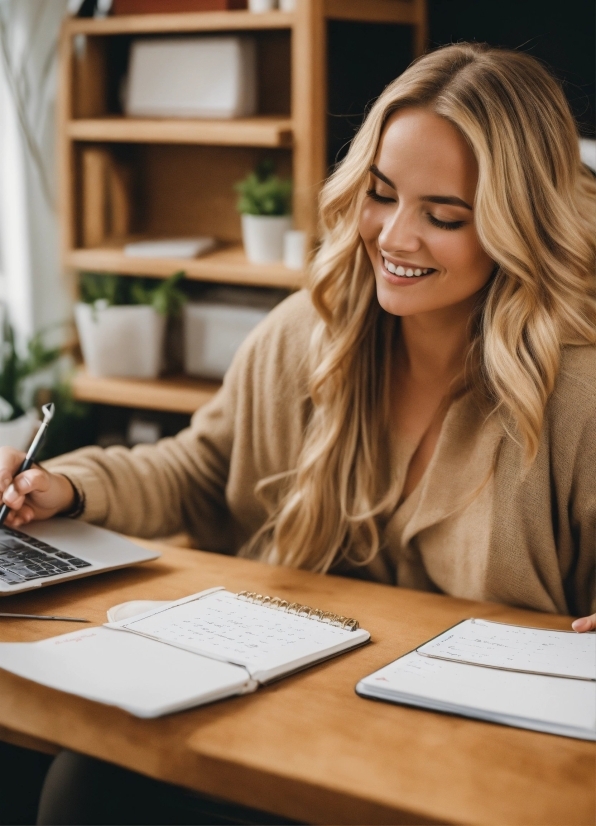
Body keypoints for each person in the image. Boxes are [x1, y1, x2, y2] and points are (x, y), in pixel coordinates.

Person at [0, 41, 594, 823]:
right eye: (381, 194)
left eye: (443, 216)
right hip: (288, 709)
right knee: (87, 782)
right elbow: (202, 469)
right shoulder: (309, 329)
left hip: (474, 756)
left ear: (518, 224)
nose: (393, 237)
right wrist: (70, 486)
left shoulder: (575, 387)